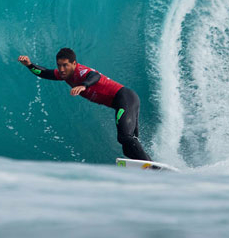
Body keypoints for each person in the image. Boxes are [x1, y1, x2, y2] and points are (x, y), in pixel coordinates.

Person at [18, 47, 152, 161]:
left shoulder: (81, 71)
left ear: (74, 63)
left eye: (65, 65)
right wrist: (30, 65)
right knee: (128, 148)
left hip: (125, 98)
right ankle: (149, 168)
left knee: (125, 137)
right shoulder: (64, 74)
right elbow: (45, 73)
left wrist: (83, 85)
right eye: (59, 65)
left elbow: (94, 76)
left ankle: (153, 168)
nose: (62, 69)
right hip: (122, 103)